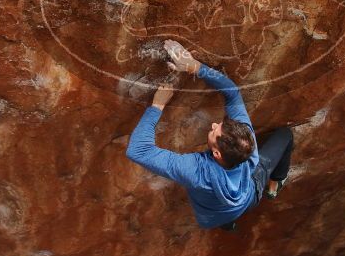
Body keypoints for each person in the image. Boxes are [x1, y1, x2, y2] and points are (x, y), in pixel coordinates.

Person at [126, 40, 294, 230]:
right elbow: (232, 94)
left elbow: (138, 150)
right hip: (248, 196)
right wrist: (194, 66)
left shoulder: (197, 172)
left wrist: (157, 106)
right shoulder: (247, 143)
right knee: (285, 135)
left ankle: (229, 222)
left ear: (217, 154)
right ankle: (277, 181)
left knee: (223, 216)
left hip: (213, 216)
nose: (214, 125)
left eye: (215, 132)